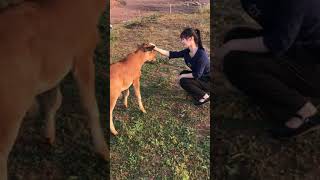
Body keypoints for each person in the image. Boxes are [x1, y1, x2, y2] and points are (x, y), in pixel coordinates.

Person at [216, 0, 320, 138]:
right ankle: (271, 94)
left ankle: (303, 111)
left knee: (238, 60)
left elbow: (278, 43)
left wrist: (231, 46)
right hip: (299, 48)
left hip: (315, 63)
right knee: (235, 37)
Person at [151, 28, 210, 105]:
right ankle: (199, 90)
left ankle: (205, 96)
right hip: (201, 77)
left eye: (183, 39)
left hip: (208, 81)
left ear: (191, 38)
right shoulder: (187, 51)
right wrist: (156, 48)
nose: (181, 41)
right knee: (183, 73)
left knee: (183, 80)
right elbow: (172, 54)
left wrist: (182, 76)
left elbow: (197, 74)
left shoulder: (201, 55)